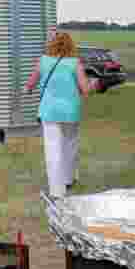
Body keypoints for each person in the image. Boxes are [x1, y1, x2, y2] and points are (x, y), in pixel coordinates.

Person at [24, 31, 90, 197]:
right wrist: (93, 85)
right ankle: (68, 179)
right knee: (70, 145)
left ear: (52, 44)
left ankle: (56, 190)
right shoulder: (75, 63)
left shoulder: (43, 61)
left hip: (49, 111)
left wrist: (29, 89)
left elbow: (30, 84)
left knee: (53, 149)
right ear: (70, 45)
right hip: (70, 111)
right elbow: (85, 89)